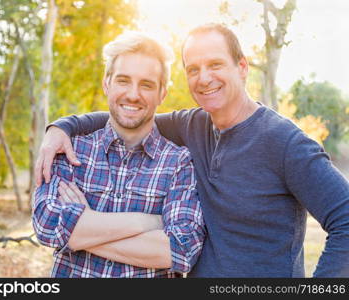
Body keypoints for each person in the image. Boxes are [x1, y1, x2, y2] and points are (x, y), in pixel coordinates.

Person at [35, 23, 349, 278]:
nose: (204, 78)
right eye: (193, 68)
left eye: (215, 64)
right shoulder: (193, 126)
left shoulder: (285, 143)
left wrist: (79, 231)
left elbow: (345, 219)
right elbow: (131, 113)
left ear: (242, 67)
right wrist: (63, 127)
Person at [32, 31, 206, 278]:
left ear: (162, 94)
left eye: (146, 84)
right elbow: (47, 225)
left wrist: (84, 228)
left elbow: (181, 250)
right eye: (123, 80)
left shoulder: (178, 162)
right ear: (106, 83)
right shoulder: (71, 149)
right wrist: (147, 222)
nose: (133, 95)